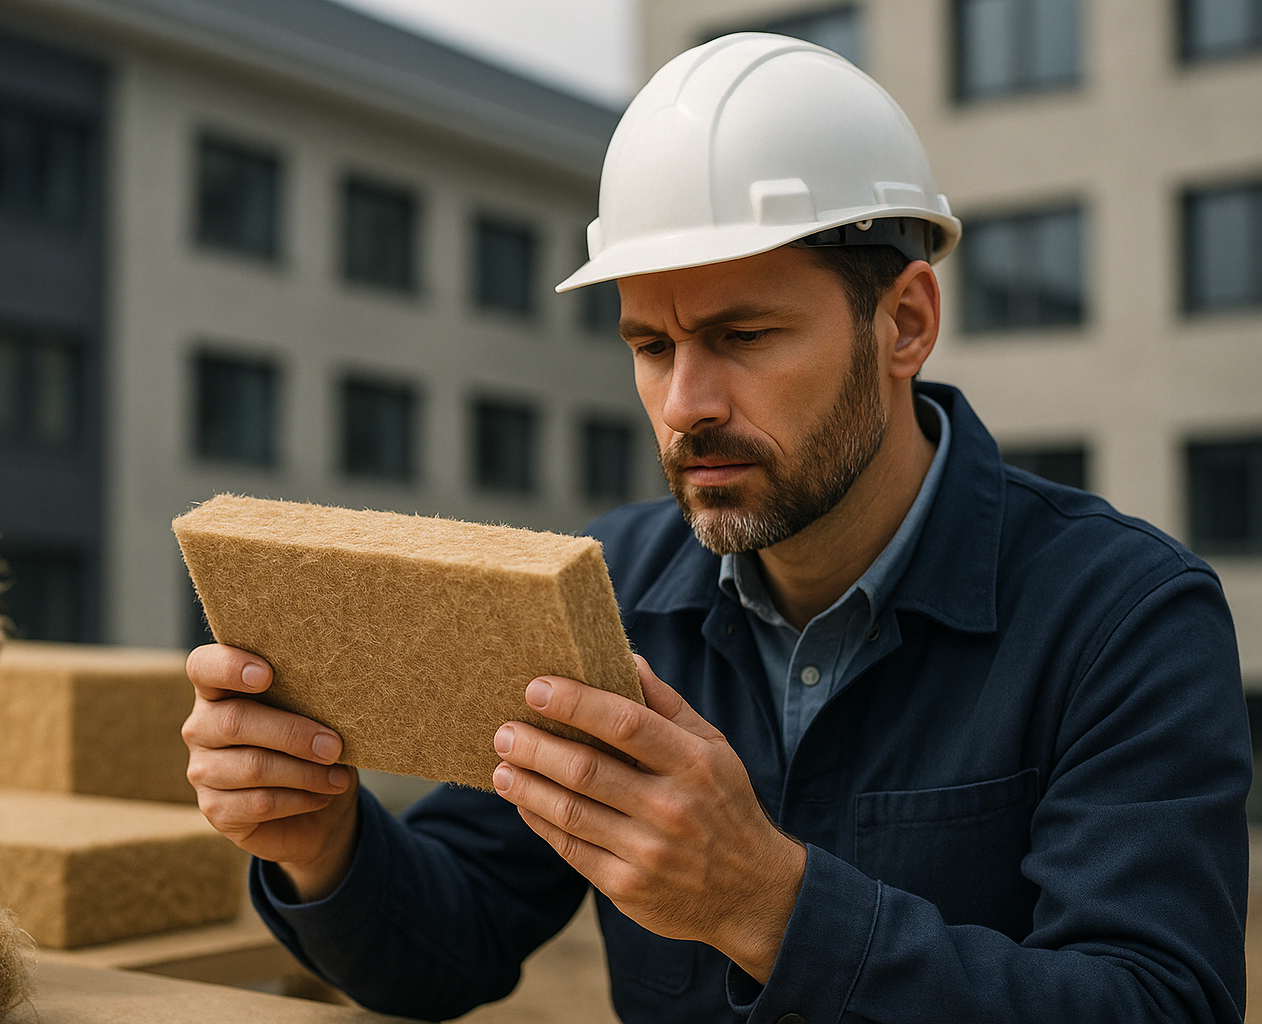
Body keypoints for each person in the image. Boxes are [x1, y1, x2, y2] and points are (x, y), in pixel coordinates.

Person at [182, 34, 1250, 1024]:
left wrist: (768, 906)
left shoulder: (1123, 616)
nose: (685, 404)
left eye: (743, 335)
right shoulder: (613, 588)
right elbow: (456, 939)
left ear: (907, 322)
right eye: (651, 347)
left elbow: (1159, 1002)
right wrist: (324, 845)